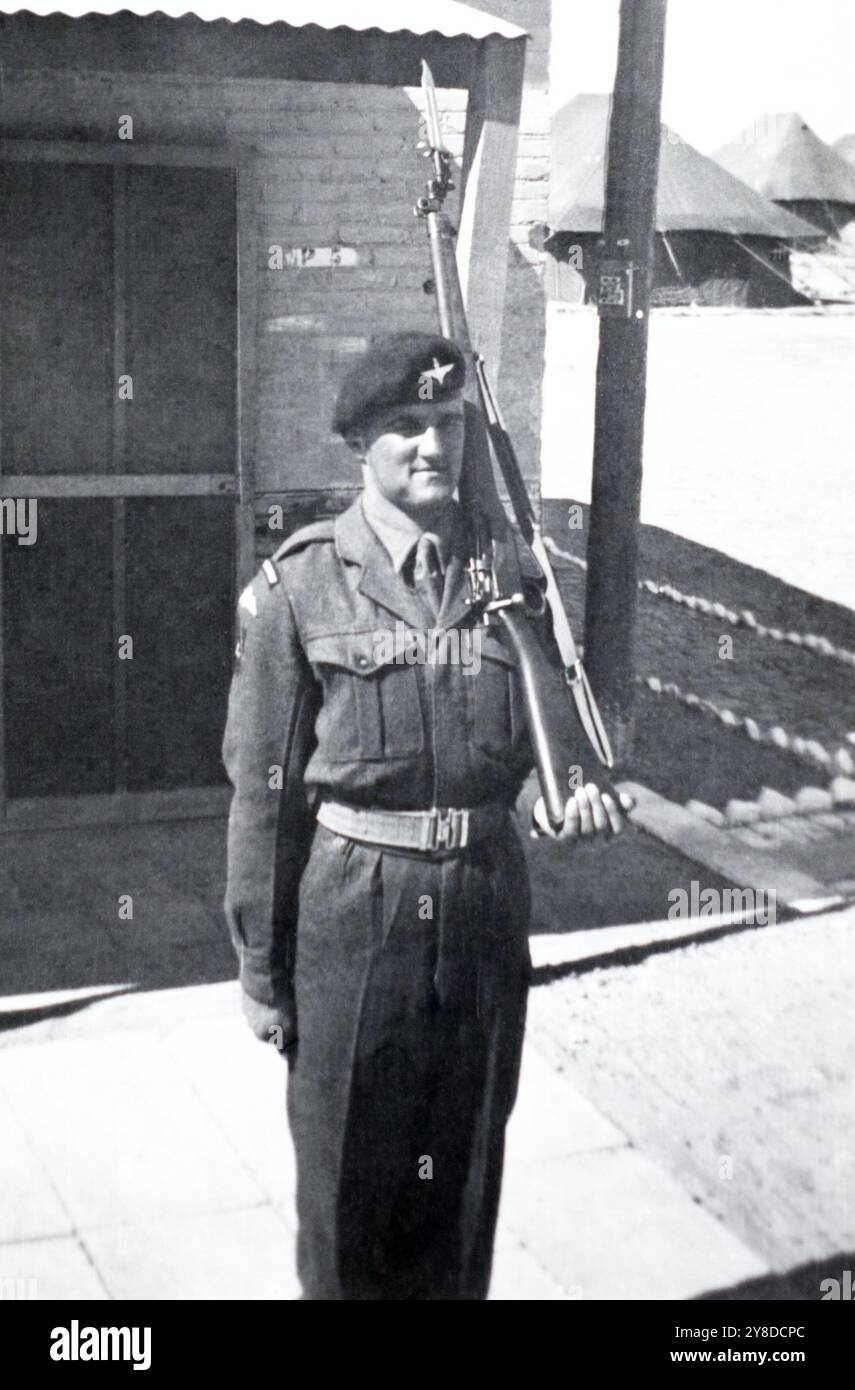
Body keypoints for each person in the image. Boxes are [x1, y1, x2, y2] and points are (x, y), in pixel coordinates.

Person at [222, 331, 625, 1300]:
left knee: (462, 1194)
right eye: (407, 426)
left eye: (446, 423)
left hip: (484, 913)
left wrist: (560, 795)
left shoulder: (508, 580)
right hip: (357, 923)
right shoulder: (301, 585)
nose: (432, 445)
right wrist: (260, 970)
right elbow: (263, 795)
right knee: (350, 1209)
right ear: (361, 440)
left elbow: (527, 752)